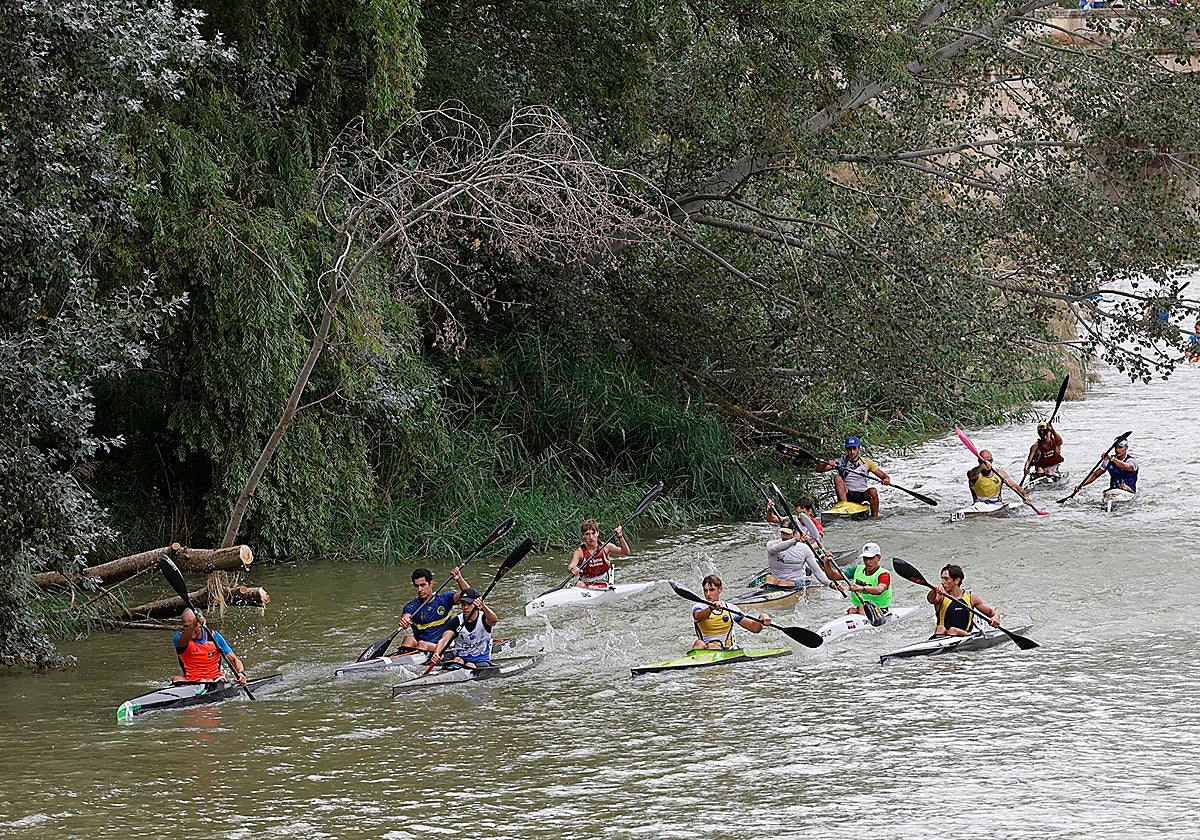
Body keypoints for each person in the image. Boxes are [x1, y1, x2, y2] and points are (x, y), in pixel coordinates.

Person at [397, 566, 471, 651]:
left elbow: (469, 594)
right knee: (408, 639)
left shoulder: (445, 599)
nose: (420, 589)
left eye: (423, 585)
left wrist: (459, 579)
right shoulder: (412, 606)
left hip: (440, 645)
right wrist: (404, 621)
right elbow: (406, 616)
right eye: (416, 586)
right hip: (421, 645)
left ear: (431, 583)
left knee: (422, 644)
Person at [814, 436, 891, 516]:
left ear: (859, 448)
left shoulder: (867, 463)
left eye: (854, 448)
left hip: (862, 494)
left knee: (873, 491)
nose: (852, 452)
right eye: (849, 449)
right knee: (837, 478)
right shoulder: (840, 461)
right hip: (847, 493)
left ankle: (875, 518)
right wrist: (826, 463)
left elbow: (884, 476)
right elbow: (818, 470)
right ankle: (845, 507)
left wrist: (886, 479)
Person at [691, 575, 772, 649]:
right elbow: (699, 616)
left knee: (711, 646)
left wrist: (762, 618)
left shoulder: (730, 608)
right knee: (698, 643)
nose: (708, 594)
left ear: (720, 589)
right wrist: (711, 608)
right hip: (704, 648)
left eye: (711, 590)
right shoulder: (698, 607)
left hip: (726, 650)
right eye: (705, 590)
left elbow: (754, 628)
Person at [173, 608, 248, 686]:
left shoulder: (214, 637)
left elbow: (234, 659)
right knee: (176, 679)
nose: (190, 629)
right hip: (190, 682)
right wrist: (194, 625)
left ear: (201, 623)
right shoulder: (179, 639)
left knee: (206, 681)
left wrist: (240, 673)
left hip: (214, 681)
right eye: (186, 626)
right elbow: (182, 642)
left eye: (192, 625)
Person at [429, 588, 498, 668]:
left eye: (469, 604)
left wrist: (484, 606)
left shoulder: (484, 618)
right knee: (457, 661)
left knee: (469, 665)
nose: (465, 607)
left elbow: (494, 620)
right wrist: (437, 653)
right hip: (461, 660)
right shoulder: (456, 622)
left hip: (481, 661)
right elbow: (444, 640)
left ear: (476, 604)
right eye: (463, 604)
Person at [926, 564, 1000, 637]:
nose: (942, 582)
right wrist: (934, 591)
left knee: (953, 630)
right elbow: (931, 600)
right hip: (942, 636)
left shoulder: (971, 598)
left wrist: (995, 619)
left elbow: (993, 613)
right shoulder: (940, 596)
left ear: (957, 580)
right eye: (942, 578)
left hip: (964, 636)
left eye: (946, 579)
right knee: (940, 628)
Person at [823, 542, 892, 617]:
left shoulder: (884, 574)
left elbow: (879, 590)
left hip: (880, 610)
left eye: (871, 558)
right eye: (865, 558)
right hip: (862, 608)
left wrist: (862, 588)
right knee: (851, 611)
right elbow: (833, 576)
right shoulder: (857, 569)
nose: (867, 562)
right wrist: (826, 562)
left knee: (862, 608)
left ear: (878, 558)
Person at [764, 525, 840, 591]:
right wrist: (794, 540)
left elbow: (817, 572)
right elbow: (774, 549)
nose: (784, 536)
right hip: (776, 581)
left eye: (787, 534)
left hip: (796, 582)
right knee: (768, 578)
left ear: (794, 533)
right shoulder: (771, 544)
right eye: (782, 533)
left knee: (783, 583)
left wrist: (830, 584)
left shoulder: (804, 549)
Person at [568, 519, 630, 588]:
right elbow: (571, 565)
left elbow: (626, 552)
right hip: (586, 581)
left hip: (603, 579)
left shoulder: (606, 547)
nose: (591, 537)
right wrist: (573, 569)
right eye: (587, 534)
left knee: (592, 588)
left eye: (593, 533)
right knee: (579, 584)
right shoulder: (579, 552)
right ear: (583, 535)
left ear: (598, 533)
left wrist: (620, 537)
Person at [967, 449, 1034, 507]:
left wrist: (1025, 496)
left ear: (992, 460)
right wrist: (982, 466)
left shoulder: (1000, 474)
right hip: (979, 505)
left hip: (996, 504)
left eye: (989, 461)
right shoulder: (973, 474)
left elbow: (1015, 486)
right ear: (979, 461)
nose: (987, 464)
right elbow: (972, 474)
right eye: (984, 462)